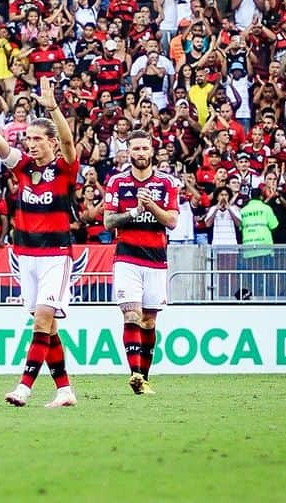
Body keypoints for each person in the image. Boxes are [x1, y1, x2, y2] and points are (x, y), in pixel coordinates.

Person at [0, 72, 78, 408]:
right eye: (27, 138)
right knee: (49, 329)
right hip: (26, 257)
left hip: (55, 256)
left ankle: (24, 387)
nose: (29, 143)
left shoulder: (64, 168)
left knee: (42, 320)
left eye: (36, 138)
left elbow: (70, 143)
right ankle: (65, 391)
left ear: (51, 142)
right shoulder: (23, 167)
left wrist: (54, 109)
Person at [103, 129, 180, 394]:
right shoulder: (117, 182)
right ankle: (135, 373)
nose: (140, 153)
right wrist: (134, 211)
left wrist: (151, 207)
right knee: (131, 314)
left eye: (144, 148)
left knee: (149, 322)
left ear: (152, 150)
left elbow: (171, 221)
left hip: (156, 260)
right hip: (127, 257)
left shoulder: (167, 183)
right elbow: (108, 221)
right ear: (128, 152)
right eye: (135, 149)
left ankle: (142, 379)